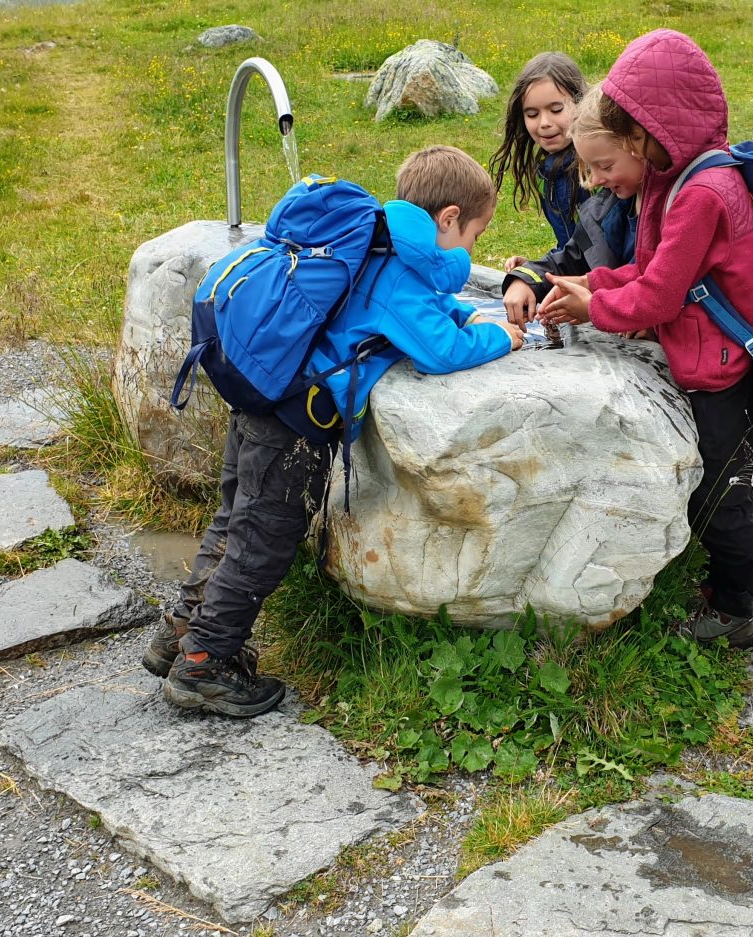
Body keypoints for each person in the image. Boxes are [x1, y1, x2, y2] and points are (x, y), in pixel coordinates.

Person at [143, 146, 525, 718]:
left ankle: (180, 632)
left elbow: (410, 307)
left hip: (262, 397)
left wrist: (459, 310)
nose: (473, 247)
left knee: (234, 521)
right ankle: (204, 663)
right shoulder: (399, 269)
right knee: (262, 542)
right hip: (295, 424)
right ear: (448, 220)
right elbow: (441, 351)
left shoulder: (371, 241)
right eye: (475, 234)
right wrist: (502, 338)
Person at [538, 29, 753, 694]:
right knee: (720, 489)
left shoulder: (703, 192)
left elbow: (659, 296)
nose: (598, 182)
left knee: (712, 504)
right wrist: (593, 285)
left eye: (603, 166)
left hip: (726, 374)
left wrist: (594, 305)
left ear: (644, 135)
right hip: (706, 363)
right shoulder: (669, 180)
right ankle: (734, 606)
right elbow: (650, 270)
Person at [501, 83, 643, 328]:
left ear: (639, 147)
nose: (595, 181)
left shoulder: (671, 210)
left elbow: (659, 285)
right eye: (589, 168)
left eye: (605, 166)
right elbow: (573, 256)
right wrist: (526, 279)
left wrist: (601, 308)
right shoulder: (605, 211)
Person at [490, 52, 590, 272]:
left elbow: (598, 251)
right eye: (532, 114)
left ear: (580, 103)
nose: (544, 123)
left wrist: (546, 269)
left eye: (556, 110)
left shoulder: (595, 169)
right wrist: (537, 265)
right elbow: (571, 245)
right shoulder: (548, 173)